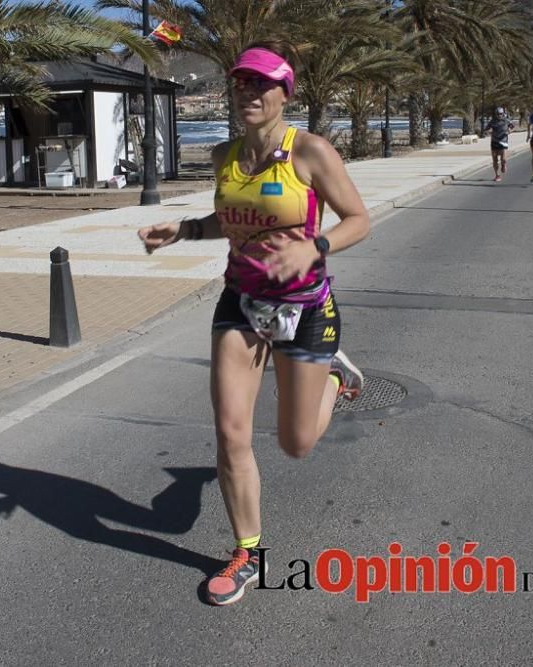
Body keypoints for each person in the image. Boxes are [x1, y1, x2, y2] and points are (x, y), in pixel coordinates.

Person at [137, 41, 371, 606]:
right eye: (242, 82)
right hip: (240, 303)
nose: (250, 93)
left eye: (262, 84)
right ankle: (248, 553)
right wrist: (187, 230)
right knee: (231, 432)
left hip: (305, 308)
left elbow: (359, 220)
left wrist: (314, 247)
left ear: (284, 92)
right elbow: (230, 216)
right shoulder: (224, 156)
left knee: (295, 444)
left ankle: (336, 379)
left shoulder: (310, 152)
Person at [481, 107, 515, 181]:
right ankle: (497, 175)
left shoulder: (506, 120)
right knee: (495, 159)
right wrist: (488, 132)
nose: (499, 115)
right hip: (494, 141)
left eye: (500, 114)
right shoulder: (492, 121)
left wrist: (509, 131)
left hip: (503, 141)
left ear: (503, 114)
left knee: (504, 159)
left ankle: (503, 164)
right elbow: (486, 129)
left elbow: (512, 127)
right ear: (495, 114)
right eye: (498, 114)